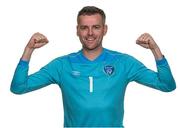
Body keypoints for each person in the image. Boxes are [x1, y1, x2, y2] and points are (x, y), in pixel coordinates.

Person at [11, 6, 176, 128]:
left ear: (105, 29)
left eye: (96, 27)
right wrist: (28, 50)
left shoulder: (123, 62)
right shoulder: (62, 65)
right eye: (84, 27)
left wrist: (155, 50)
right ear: (77, 30)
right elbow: (19, 87)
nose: (90, 33)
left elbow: (167, 85)